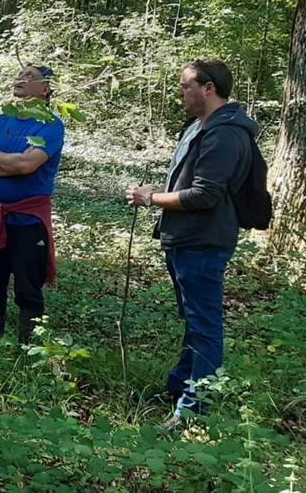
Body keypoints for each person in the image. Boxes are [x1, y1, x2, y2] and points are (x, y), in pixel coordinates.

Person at [126, 59, 255, 425]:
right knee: (194, 322)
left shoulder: (225, 132)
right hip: (185, 239)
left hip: (203, 242)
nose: (181, 93)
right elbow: (188, 186)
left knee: (205, 326)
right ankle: (179, 386)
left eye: (185, 87)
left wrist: (151, 199)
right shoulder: (200, 127)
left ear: (208, 88)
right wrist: (157, 192)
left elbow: (204, 195)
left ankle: (194, 410)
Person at [0, 65, 65, 343]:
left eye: (29, 77)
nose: (20, 79)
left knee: (28, 290)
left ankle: (29, 352)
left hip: (29, 220)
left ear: (44, 89)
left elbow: (28, 164)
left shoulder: (51, 125)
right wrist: (15, 164)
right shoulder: (0, 121)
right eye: (19, 74)